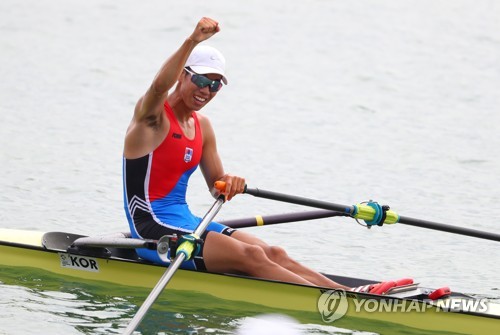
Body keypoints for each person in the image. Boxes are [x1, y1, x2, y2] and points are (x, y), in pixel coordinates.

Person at [122, 17, 411, 293]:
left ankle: (347, 292)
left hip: (186, 220)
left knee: (273, 252)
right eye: (201, 81)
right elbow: (158, 87)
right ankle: (328, 301)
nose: (208, 91)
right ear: (183, 75)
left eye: (216, 85)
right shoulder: (152, 119)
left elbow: (216, 186)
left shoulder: (203, 127)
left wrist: (228, 182)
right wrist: (192, 40)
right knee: (251, 256)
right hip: (151, 227)